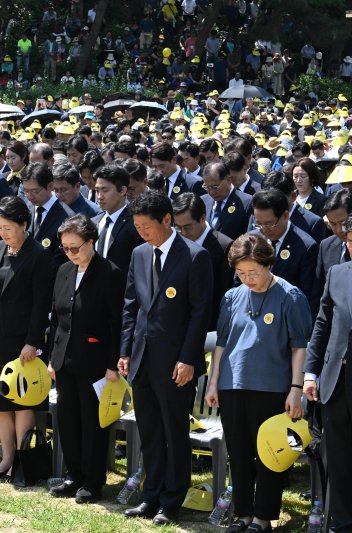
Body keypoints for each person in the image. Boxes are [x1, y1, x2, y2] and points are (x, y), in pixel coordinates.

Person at [205, 233, 312, 533]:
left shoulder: (291, 296)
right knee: (238, 453)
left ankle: (263, 517)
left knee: (268, 453)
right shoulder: (231, 296)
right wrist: (214, 383)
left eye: (253, 272)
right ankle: (243, 514)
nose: (247, 279)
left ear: (268, 263)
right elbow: (222, 343)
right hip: (232, 384)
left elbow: (300, 345)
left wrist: (295, 388)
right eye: (241, 273)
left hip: (272, 387)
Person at [118, 190, 212, 525]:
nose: (142, 232)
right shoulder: (139, 254)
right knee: (150, 431)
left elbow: (200, 314)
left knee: (174, 432)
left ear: (167, 220)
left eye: (147, 226)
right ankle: (151, 494)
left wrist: (188, 359)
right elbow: (131, 307)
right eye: (137, 226)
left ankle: (172, 500)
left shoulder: (194, 256)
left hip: (176, 363)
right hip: (142, 359)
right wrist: (125, 351)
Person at [0, 196, 54, 481]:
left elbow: (41, 304)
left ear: (24, 224)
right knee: (0, 401)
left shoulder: (38, 256)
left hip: (24, 342)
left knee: (23, 400)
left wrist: (32, 341)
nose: (3, 233)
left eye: (8, 227)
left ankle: (22, 460)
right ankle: (6, 458)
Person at [47, 214, 123, 503]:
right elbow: (57, 318)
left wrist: (112, 364)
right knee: (68, 420)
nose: (70, 253)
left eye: (75, 247)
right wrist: (52, 357)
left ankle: (92, 481)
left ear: (92, 242)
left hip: (95, 362)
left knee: (92, 422)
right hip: (65, 358)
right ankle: (73, 474)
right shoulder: (64, 271)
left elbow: (116, 322)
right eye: (65, 248)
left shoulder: (109, 273)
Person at [304, 216, 352, 533]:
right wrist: (310, 372)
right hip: (335, 380)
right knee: (337, 456)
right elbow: (321, 326)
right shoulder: (337, 274)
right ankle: (343, 520)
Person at [172, 192, 234, 330]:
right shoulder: (176, 242)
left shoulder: (224, 246)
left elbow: (225, 292)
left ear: (202, 218)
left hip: (208, 325)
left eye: (188, 227)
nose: (183, 232)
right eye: (178, 227)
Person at [250, 189, 318, 312]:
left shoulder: (306, 247)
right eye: (259, 224)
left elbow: (305, 294)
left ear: (285, 216)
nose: (264, 230)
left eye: (269, 224)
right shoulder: (252, 238)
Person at [92, 162, 144, 284]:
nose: (99, 196)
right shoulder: (94, 222)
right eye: (97, 190)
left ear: (122, 190)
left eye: (104, 190)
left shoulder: (136, 224)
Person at [23, 162, 70, 266]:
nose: (30, 196)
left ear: (50, 186)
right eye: (26, 191)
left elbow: (61, 259)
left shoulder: (67, 217)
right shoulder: (25, 208)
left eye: (35, 191)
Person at [200, 161, 254, 240]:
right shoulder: (203, 201)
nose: (211, 192)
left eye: (215, 187)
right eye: (207, 187)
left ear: (228, 180)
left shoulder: (246, 202)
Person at [314, 189, 351, 300]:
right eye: (333, 224)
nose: (339, 230)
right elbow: (319, 291)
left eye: (343, 223)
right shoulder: (326, 246)